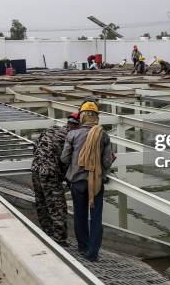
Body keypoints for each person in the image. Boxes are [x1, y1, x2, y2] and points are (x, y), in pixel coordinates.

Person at [61, 101, 114, 262]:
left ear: (82, 116)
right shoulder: (103, 135)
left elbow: (64, 158)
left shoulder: (72, 135)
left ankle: (83, 247)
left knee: (80, 215)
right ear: (96, 117)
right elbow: (107, 162)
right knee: (96, 218)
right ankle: (93, 253)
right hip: (96, 183)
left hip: (77, 182)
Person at [31, 113, 80, 245]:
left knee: (42, 203)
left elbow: (35, 147)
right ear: (77, 126)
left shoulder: (51, 129)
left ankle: (47, 234)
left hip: (35, 169)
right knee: (58, 206)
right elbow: (67, 160)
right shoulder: (71, 137)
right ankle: (60, 240)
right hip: (50, 174)